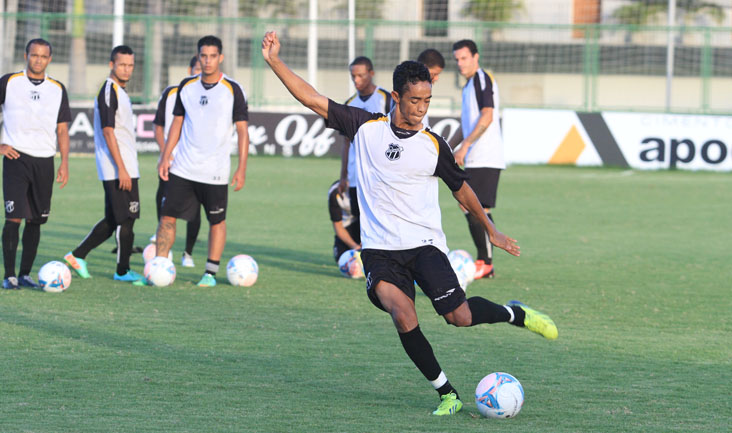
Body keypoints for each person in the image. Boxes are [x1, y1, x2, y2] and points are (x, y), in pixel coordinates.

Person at [262, 30, 557, 416]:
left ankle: (514, 313)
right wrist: (274, 61)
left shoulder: (434, 145)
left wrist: (492, 230)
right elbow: (311, 97)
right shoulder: (365, 128)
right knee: (402, 313)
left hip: (424, 245)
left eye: (427, 100)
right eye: (414, 100)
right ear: (397, 97)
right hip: (380, 250)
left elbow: (462, 189)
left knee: (459, 317)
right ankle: (447, 393)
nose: (421, 108)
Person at [157, 35, 249, 287]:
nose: (207, 61)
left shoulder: (233, 89)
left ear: (220, 57)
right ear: (198, 57)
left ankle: (209, 273)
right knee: (167, 218)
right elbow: (176, 124)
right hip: (183, 168)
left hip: (215, 171)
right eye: (203, 56)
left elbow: (242, 131)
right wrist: (165, 156)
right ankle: (159, 268)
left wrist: (241, 168)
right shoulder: (186, 87)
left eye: (212, 56)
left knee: (216, 221)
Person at [64, 45, 143, 283]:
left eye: (130, 65)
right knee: (126, 220)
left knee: (112, 220)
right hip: (117, 168)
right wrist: (121, 168)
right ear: (112, 65)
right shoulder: (109, 91)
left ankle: (77, 256)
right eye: (122, 65)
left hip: (124, 166)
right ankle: (122, 271)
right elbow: (108, 132)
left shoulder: (120, 91)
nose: (127, 69)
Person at [0, 38, 70, 289]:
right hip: (16, 159)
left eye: (43, 56)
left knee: (36, 220)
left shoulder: (58, 88)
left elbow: (62, 129)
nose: (38, 60)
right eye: (34, 55)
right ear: (26, 55)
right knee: (14, 218)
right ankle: (9, 275)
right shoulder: (9, 82)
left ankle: (25, 275)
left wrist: (64, 163)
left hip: (45, 162)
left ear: (49, 59)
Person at [452, 39, 504, 280]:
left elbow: (487, 116)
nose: (460, 64)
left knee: (476, 207)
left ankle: (487, 262)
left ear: (476, 56)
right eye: (457, 59)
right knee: (468, 205)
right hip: (473, 155)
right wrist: (450, 147)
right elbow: (468, 123)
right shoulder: (467, 86)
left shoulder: (483, 78)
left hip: (485, 155)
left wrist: (466, 146)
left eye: (464, 58)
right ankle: (485, 260)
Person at [152, 55, 203, 268]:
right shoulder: (173, 92)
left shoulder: (213, 93)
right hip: (172, 162)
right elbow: (159, 126)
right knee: (164, 204)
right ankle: (163, 248)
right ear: (190, 69)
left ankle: (188, 253)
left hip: (195, 163)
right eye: (197, 68)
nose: (200, 71)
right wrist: (166, 153)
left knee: (195, 210)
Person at [338, 57, 391, 244]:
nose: (356, 80)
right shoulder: (349, 103)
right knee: (361, 221)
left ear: (371, 73)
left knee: (382, 219)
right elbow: (346, 143)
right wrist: (343, 176)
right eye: (353, 76)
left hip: (380, 175)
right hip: (356, 176)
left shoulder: (386, 99)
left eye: (361, 75)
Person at [327, 180, 360, 262]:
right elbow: (338, 226)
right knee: (342, 259)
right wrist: (356, 247)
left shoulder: (367, 190)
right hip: (347, 225)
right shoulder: (335, 193)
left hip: (365, 225)